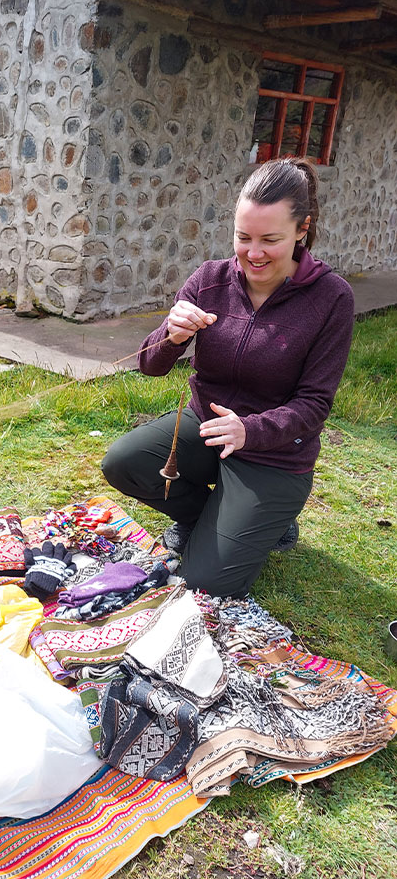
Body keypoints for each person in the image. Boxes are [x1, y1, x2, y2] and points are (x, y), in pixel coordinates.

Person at [102, 158, 354, 598]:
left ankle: (265, 521)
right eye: (243, 237)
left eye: (270, 239)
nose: (253, 253)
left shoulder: (332, 298)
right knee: (123, 463)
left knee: (204, 583)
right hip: (204, 428)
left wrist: (250, 430)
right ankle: (218, 517)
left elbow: (315, 404)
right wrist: (171, 336)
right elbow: (150, 365)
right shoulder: (210, 279)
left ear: (302, 229)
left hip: (275, 455)